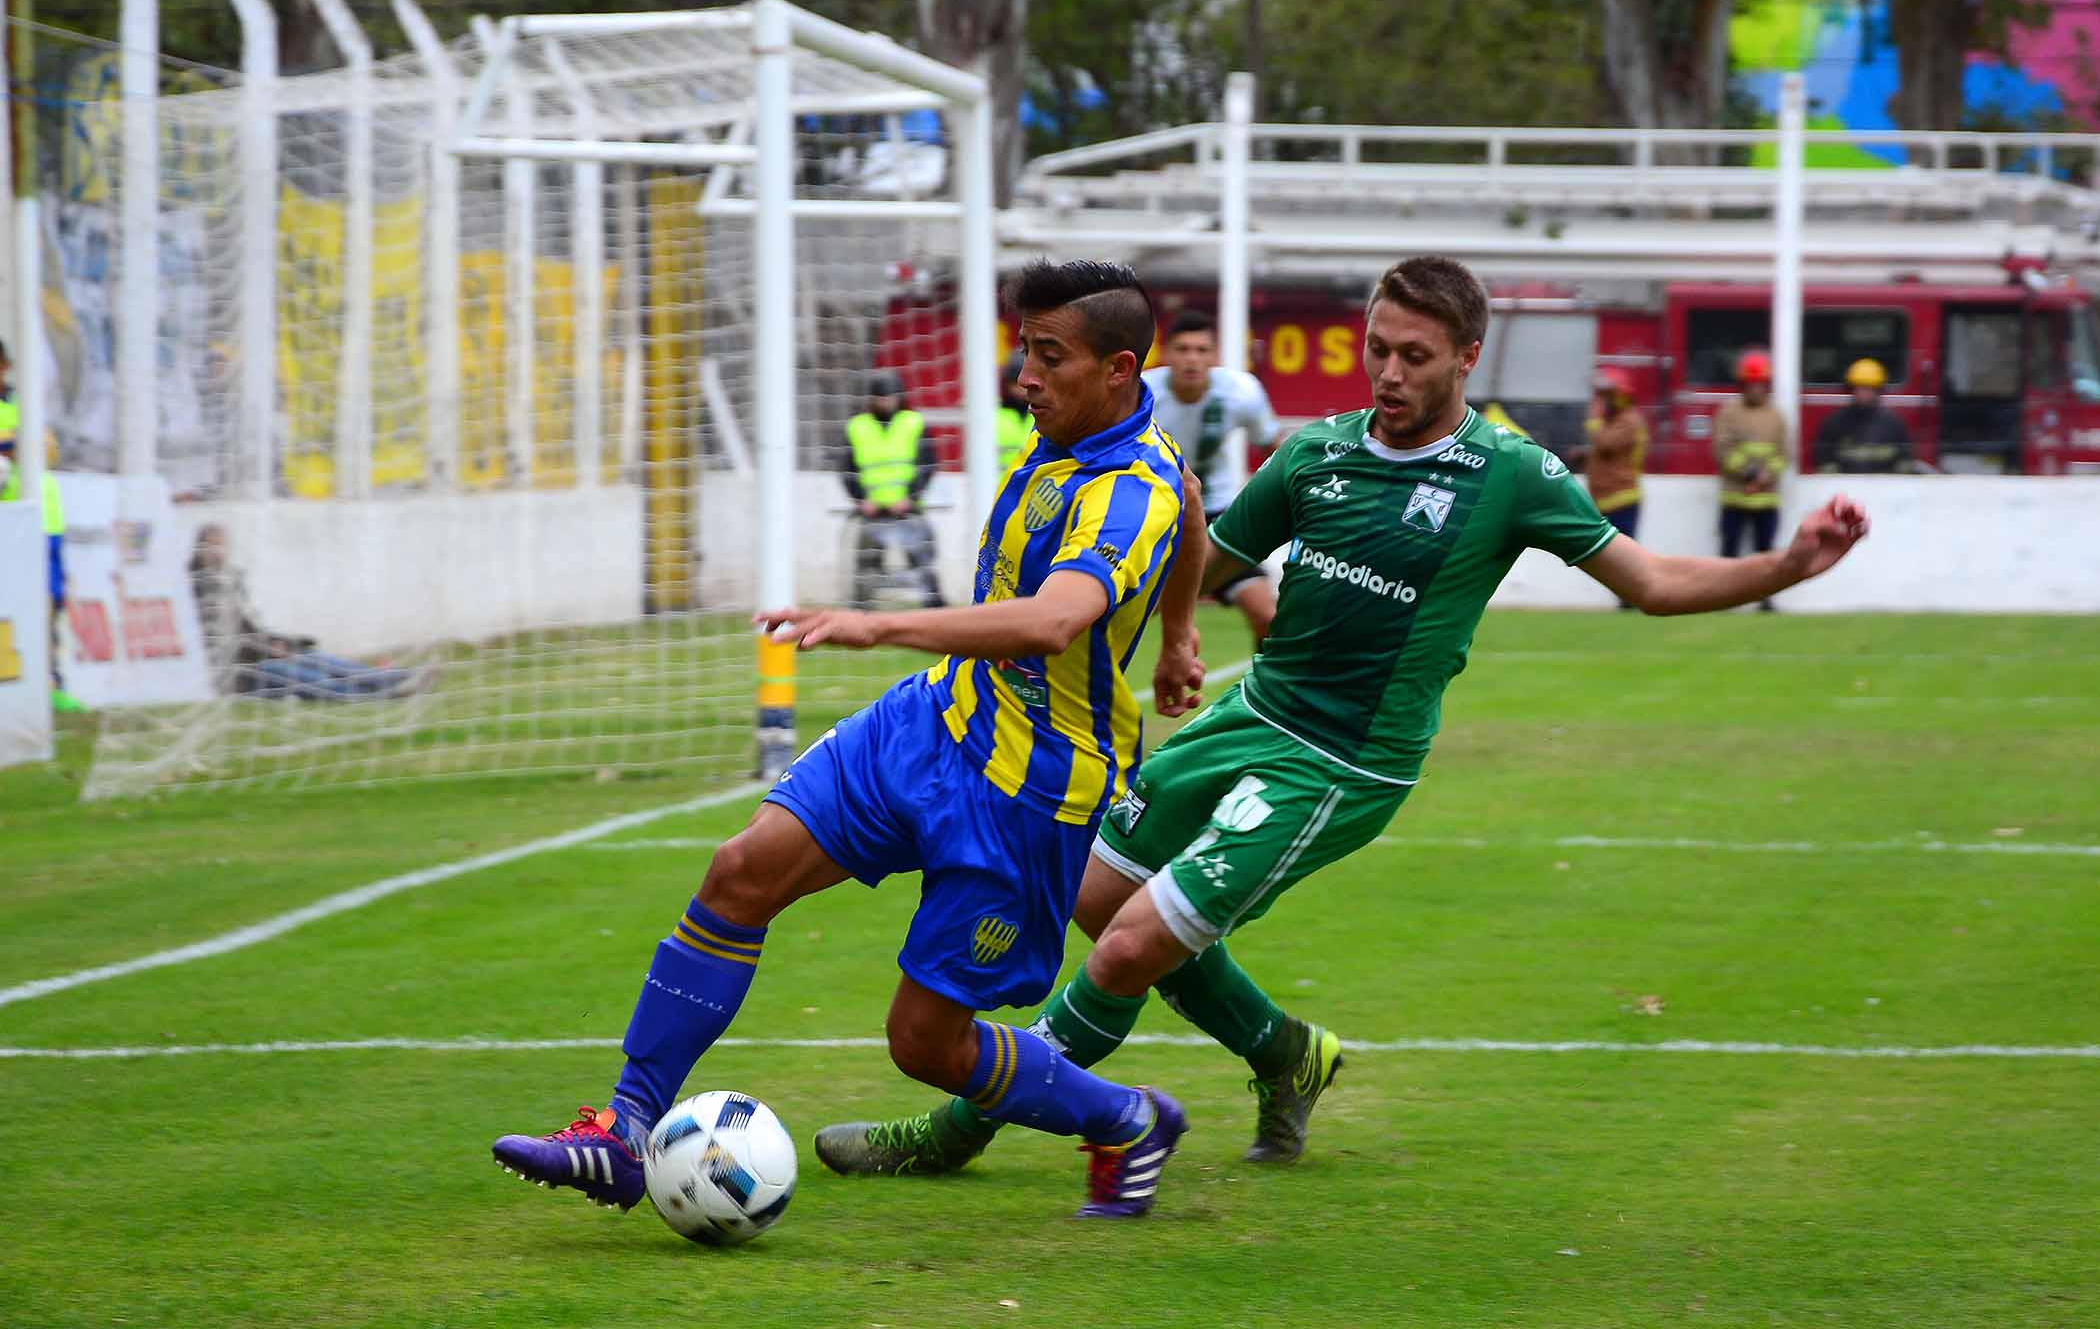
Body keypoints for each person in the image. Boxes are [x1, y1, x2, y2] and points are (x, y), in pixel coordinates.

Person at [816, 256, 1869, 1193]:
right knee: (1095, 894)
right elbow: (1203, 543)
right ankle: (1284, 1051)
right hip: (1253, 714)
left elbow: (1652, 580)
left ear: (1467, 355)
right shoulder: (1317, 452)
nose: (1389, 372)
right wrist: (1182, 632)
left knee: (1129, 945)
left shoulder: (1513, 474)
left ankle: (954, 1130)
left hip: (1343, 758)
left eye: (1415, 354)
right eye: (1377, 348)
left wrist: (1788, 563)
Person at [491, 258, 1214, 1220]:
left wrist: (873, 623)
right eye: (1022, 352)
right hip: (930, 721)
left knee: (926, 1045)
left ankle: (1126, 1118)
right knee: (740, 870)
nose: (1024, 376)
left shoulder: (1129, 488)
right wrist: (1178, 637)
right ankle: (626, 1134)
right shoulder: (1079, 433)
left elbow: (1053, 620)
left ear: (1119, 369)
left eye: (1049, 357)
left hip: (1027, 789)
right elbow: (1197, 503)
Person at [1141, 309, 1284, 646]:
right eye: (1183, 349)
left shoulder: (1241, 392)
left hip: (1216, 516)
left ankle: (1263, 696)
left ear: (1215, 356)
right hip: (1156, 515)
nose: (1192, 359)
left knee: (1268, 617)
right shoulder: (1141, 395)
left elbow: (1274, 451)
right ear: (1166, 354)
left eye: (1202, 350)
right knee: (1126, 617)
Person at [187, 524, 426, 701]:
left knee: (316, 658)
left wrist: (283, 643)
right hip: (239, 674)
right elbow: (223, 642)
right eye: (211, 545)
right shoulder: (194, 590)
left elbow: (250, 628)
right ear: (199, 549)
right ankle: (385, 691)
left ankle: (396, 678)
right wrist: (270, 650)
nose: (218, 552)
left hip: (259, 656)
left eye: (222, 545)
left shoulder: (231, 580)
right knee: (308, 677)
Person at [0, 341, 83, 714]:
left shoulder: (24, 405)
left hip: (47, 519)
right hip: (9, 520)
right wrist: (11, 445)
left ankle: (52, 683)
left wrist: (19, 444)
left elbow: (48, 449)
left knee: (50, 604)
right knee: (13, 606)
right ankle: (19, 685)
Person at [842, 369, 945, 609]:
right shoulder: (858, 426)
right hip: (872, 511)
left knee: (922, 560)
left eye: (888, 397)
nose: (885, 402)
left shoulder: (913, 423)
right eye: (880, 397)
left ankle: (935, 607)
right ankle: (861, 610)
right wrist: (861, 499)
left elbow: (927, 465)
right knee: (866, 564)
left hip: (907, 510)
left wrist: (911, 497)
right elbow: (847, 469)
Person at [1715, 348, 1789, 611]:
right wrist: (1749, 473)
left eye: (1759, 384)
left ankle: (1765, 598)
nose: (1755, 389)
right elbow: (1723, 451)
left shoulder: (1777, 416)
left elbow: (1784, 454)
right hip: (1735, 496)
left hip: (1766, 498)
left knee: (1766, 553)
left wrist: (1768, 474)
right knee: (1728, 552)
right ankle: (1721, 597)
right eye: (1750, 383)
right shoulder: (1728, 413)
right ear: (1742, 384)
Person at [1579, 367, 1648, 608]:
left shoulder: (1629, 421)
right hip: (1606, 500)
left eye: (1605, 396)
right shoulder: (1615, 422)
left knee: (1625, 558)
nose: (1600, 401)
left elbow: (1605, 443)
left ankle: (1630, 599)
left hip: (1623, 500)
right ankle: (1625, 599)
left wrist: (1595, 419)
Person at [1812, 358, 1916, 474]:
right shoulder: (1834, 423)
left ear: (1878, 391)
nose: (1863, 394)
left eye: (1868, 389)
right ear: (1851, 389)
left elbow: (1905, 462)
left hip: (1884, 488)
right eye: (1859, 388)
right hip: (1846, 488)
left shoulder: (1894, 425)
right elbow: (1824, 461)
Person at [995, 351, 1035, 470]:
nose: (1022, 390)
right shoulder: (993, 415)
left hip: (1034, 485)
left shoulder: (1045, 415)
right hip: (997, 485)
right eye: (1016, 384)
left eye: (1026, 385)